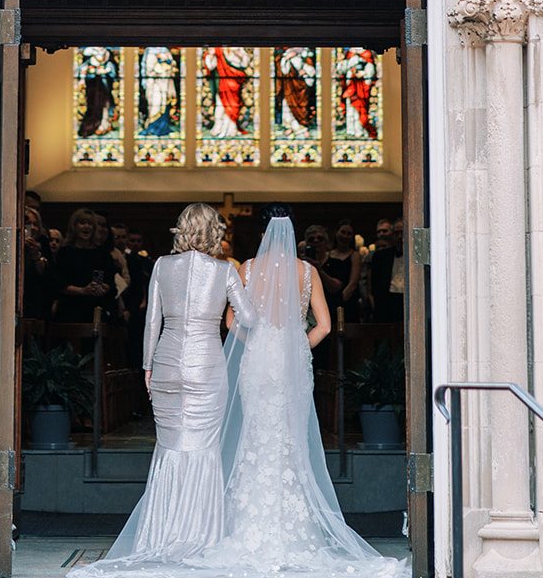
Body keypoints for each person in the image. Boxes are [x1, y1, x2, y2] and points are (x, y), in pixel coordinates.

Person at [208, 208, 404, 577]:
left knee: (256, 436)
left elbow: (230, 320)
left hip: (258, 361)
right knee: (289, 439)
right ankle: (294, 528)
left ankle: (248, 525)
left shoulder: (246, 269)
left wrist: (256, 342)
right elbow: (326, 326)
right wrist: (297, 345)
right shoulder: (307, 271)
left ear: (264, 231)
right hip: (292, 364)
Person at [89, 203, 255, 571]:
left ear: (182, 229)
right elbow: (249, 318)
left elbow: (152, 321)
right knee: (204, 450)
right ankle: (200, 536)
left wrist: (147, 367)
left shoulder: (163, 265)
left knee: (169, 449)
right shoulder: (226, 270)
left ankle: (162, 534)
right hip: (208, 366)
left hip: (165, 364)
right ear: (215, 232)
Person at [369, 217, 406, 321]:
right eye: (396, 233)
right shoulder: (381, 256)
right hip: (387, 303)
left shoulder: (416, 256)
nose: (400, 237)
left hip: (409, 301)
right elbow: (374, 286)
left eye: (402, 232)